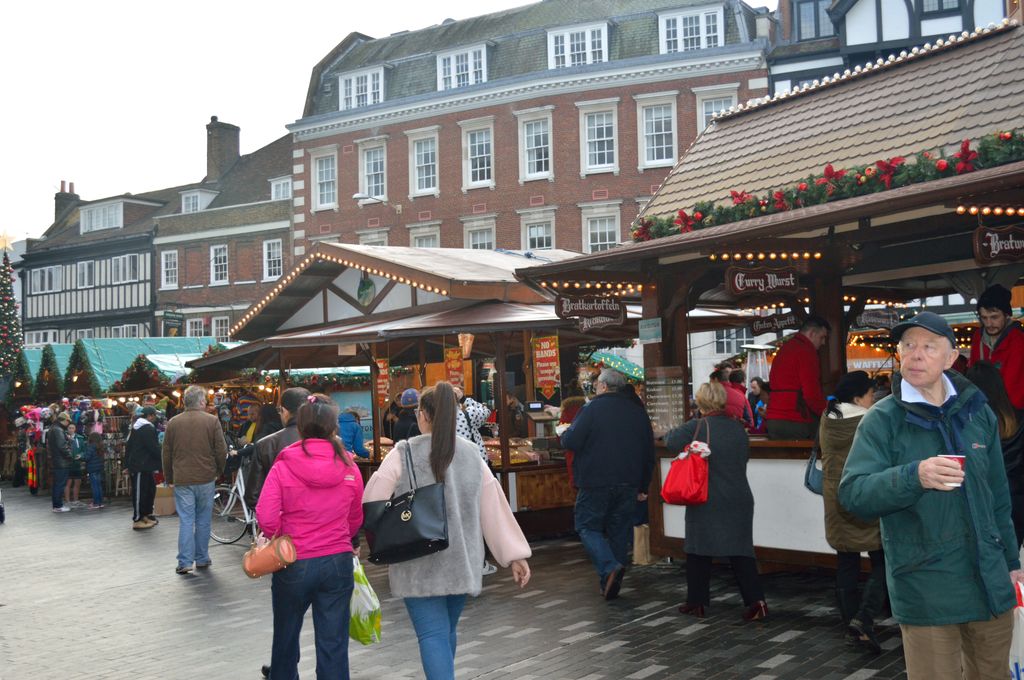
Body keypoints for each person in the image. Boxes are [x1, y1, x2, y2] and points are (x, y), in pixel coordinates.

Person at [840, 311, 1023, 679]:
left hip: (989, 581)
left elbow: (998, 497)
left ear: (951, 358)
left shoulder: (977, 412)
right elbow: (853, 494)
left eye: (928, 346)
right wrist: (914, 475)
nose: (915, 354)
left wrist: (1010, 561)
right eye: (908, 346)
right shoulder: (882, 418)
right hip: (926, 585)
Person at [363, 382, 531, 680]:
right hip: (461, 560)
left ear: (423, 415)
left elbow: (372, 499)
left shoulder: (402, 453)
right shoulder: (469, 454)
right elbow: (493, 507)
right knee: (446, 632)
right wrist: (515, 556)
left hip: (416, 562)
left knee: (432, 635)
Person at [256, 394, 364, 680]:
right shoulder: (350, 467)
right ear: (333, 428)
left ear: (300, 426)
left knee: (286, 638)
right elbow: (355, 517)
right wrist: (348, 537)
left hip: (295, 561)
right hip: (338, 562)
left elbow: (266, 516)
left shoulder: (284, 465)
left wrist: (279, 533)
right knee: (333, 644)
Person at [666, 381, 767, 621]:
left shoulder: (697, 426)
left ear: (700, 402)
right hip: (739, 497)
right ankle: (757, 602)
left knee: (698, 549)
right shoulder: (738, 429)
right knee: (741, 552)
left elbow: (670, 440)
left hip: (707, 498)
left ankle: (696, 602)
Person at [560, 368, 655, 600]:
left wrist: (563, 433)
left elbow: (572, 440)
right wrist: (643, 486)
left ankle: (608, 566)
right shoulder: (637, 411)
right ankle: (610, 583)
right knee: (619, 532)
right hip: (629, 481)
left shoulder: (591, 409)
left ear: (602, 386)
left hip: (596, 481)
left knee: (586, 526)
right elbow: (648, 451)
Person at [818, 371, 884, 653]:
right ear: (858, 398)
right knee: (884, 560)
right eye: (870, 394)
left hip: (836, 497)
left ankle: (851, 624)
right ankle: (863, 619)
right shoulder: (870, 420)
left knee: (847, 560)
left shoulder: (827, 416)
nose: (873, 399)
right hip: (865, 495)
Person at [162, 385, 228, 574]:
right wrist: (219, 470)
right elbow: (220, 450)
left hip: (182, 478)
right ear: (200, 402)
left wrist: (169, 477)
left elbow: (166, 453)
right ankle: (202, 557)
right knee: (203, 520)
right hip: (206, 477)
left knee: (186, 520)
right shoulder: (211, 421)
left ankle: (184, 562)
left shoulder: (173, 423)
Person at [966, 359, 1024, 547]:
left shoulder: (969, 421)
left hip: (982, 499)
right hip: (1016, 499)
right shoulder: (1019, 416)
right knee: (1012, 561)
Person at [245, 387, 311, 510]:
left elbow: (253, 496)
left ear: (284, 411)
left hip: (283, 520)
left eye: (279, 411)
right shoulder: (333, 442)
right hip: (326, 522)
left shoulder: (266, 444)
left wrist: (272, 519)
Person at [765, 315, 830, 439]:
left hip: (773, 418)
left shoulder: (785, 348)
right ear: (811, 333)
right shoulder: (807, 351)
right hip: (795, 419)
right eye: (822, 337)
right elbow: (811, 394)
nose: (823, 342)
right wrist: (828, 413)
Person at [969, 283, 1024, 414]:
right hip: (984, 409)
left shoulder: (1018, 340)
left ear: (1006, 314)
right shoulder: (978, 337)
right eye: (984, 318)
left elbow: (1014, 386)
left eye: (994, 317)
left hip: (1011, 412)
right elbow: (973, 375)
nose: (988, 324)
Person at [124, 406, 161, 530]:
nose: (156, 418)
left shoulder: (137, 427)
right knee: (140, 492)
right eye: (154, 415)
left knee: (148, 490)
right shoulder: (146, 428)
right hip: (140, 465)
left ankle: (145, 514)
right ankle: (138, 518)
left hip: (144, 465)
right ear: (150, 416)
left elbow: (128, 447)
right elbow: (153, 447)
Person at [453, 385, 490, 461]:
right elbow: (486, 411)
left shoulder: (436, 418)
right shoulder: (468, 415)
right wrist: (464, 399)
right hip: (475, 464)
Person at [46, 412, 73, 513]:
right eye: (68, 421)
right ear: (64, 420)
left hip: (57, 460)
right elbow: (62, 446)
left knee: (57, 484)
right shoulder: (58, 429)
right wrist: (70, 455)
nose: (68, 423)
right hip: (61, 461)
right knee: (60, 484)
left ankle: (57, 505)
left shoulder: (53, 428)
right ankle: (58, 506)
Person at [81, 431, 106, 509]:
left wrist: (81, 456)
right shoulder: (101, 446)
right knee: (99, 485)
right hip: (99, 468)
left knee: (94, 486)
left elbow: (87, 457)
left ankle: (96, 503)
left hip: (92, 468)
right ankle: (100, 502)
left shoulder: (90, 446)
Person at [65, 422, 85, 508]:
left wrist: (81, 455)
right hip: (68, 464)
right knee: (68, 483)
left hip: (77, 463)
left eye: (73, 428)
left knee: (77, 482)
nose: (71, 429)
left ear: (75, 429)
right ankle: (68, 501)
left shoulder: (80, 438)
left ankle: (76, 500)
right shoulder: (64, 438)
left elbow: (84, 450)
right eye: (69, 428)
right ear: (67, 429)